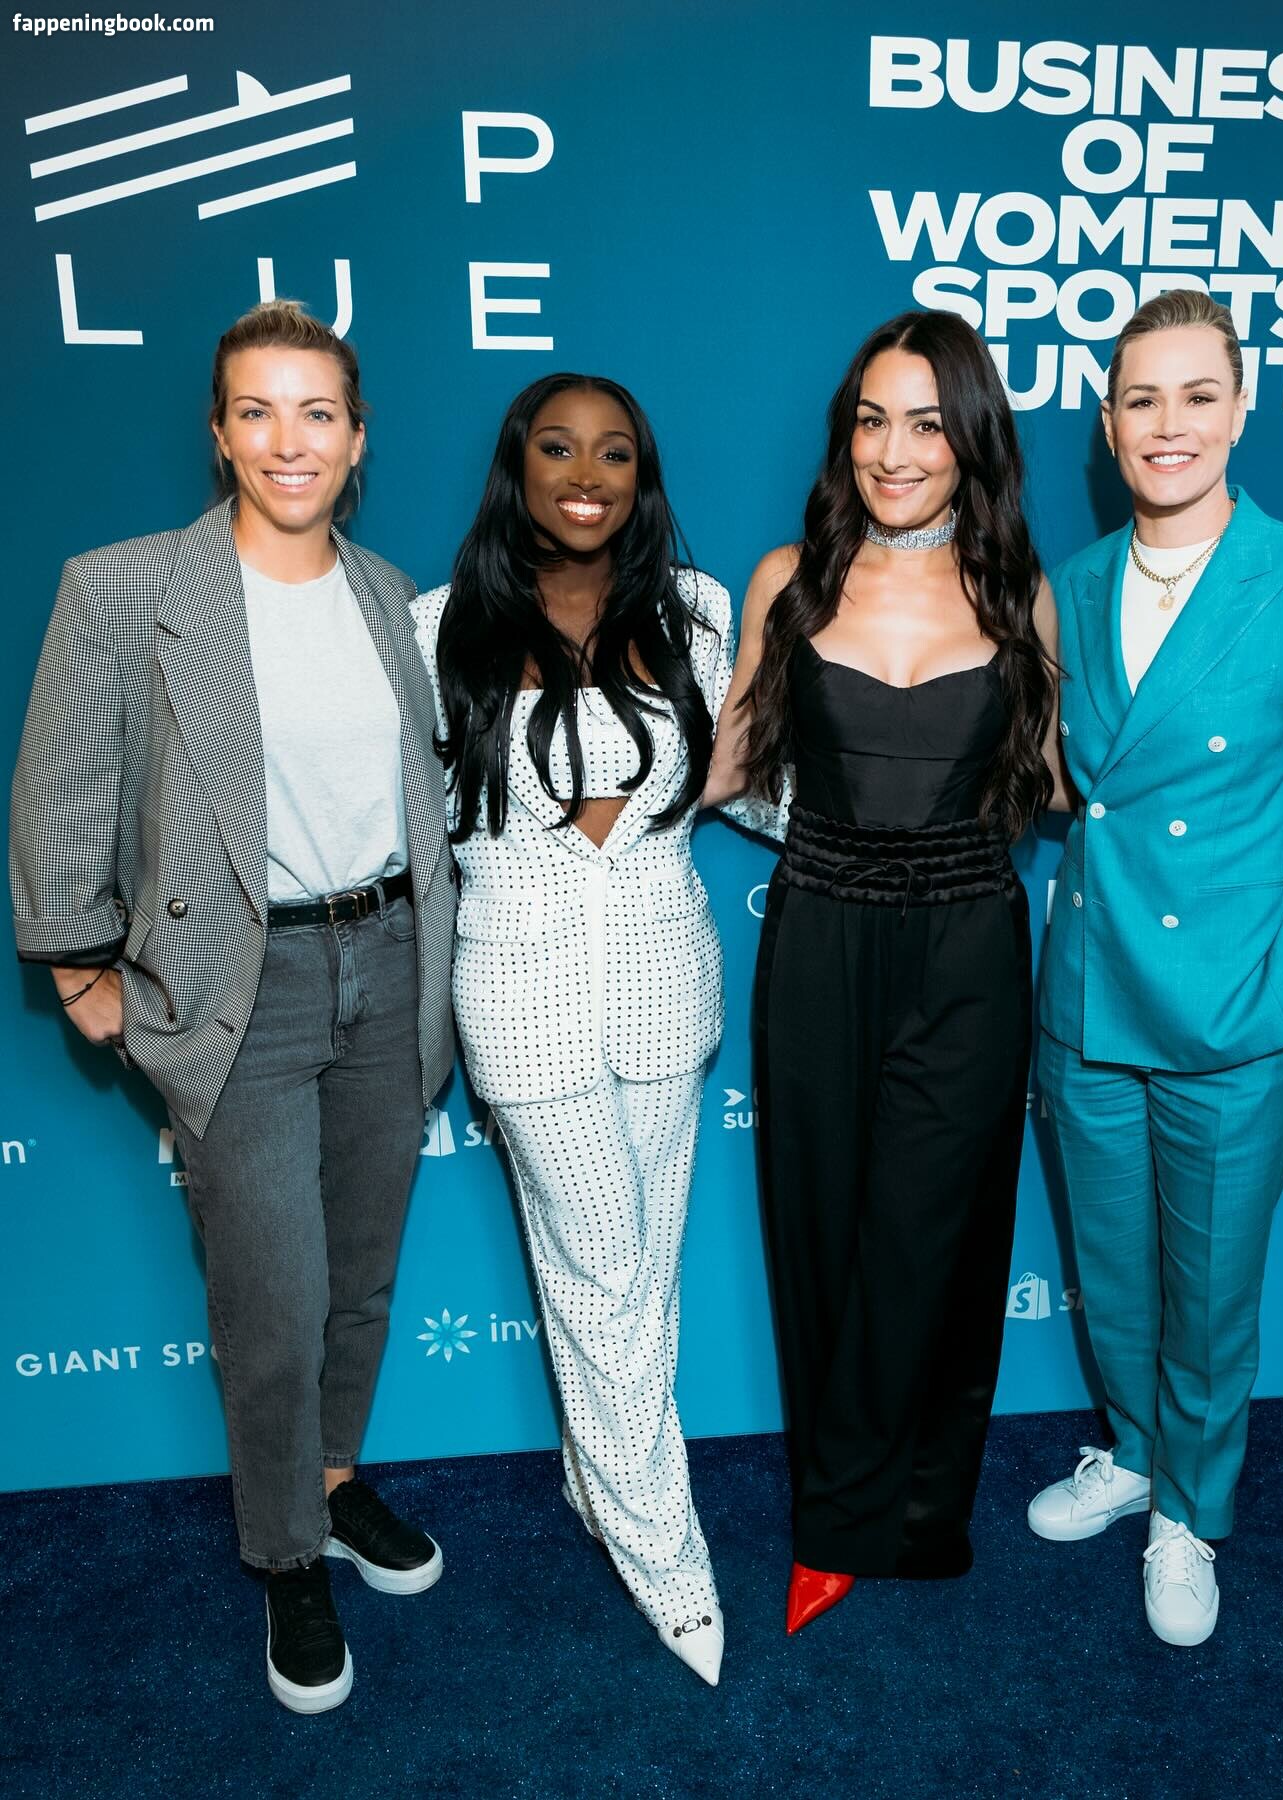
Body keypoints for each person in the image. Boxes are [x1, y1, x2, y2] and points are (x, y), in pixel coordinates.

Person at [9, 300, 456, 1714]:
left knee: (362, 1271)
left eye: (316, 412)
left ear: (358, 438)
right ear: (219, 433)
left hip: (393, 963)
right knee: (275, 1292)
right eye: (257, 411)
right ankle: (286, 1553)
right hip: (236, 989)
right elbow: (63, 791)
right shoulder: (126, 589)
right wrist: (81, 973)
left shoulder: (388, 593)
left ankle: (331, 1479)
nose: (288, 440)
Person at [1029, 288, 1283, 1646]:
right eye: (1143, 398)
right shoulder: (1069, 588)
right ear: (1108, 423)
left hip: (1235, 1013)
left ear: (1242, 409)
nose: (1169, 423)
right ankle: (1135, 1455)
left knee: (1210, 1285)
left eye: (1198, 395)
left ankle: (1190, 1509)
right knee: (1117, 1268)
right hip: (1088, 996)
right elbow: (1064, 784)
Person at [705, 310, 1066, 1634]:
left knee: (934, 1232)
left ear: (971, 439)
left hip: (969, 941)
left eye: (924, 422)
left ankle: (899, 1510)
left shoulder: (1019, 592)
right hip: (818, 932)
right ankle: (841, 1501)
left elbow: (1062, 784)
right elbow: (724, 769)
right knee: (821, 1221)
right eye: (871, 420)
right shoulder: (788, 580)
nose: (893, 451)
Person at [413, 373, 759, 1687]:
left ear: (641, 478)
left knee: (638, 1272)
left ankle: (593, 1473)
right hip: (522, 996)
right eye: (557, 447)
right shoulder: (437, 626)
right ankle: (666, 1547)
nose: (585, 473)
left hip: (667, 986)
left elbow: (750, 781)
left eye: (614, 453)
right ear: (518, 465)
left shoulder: (699, 610)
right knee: (604, 1269)